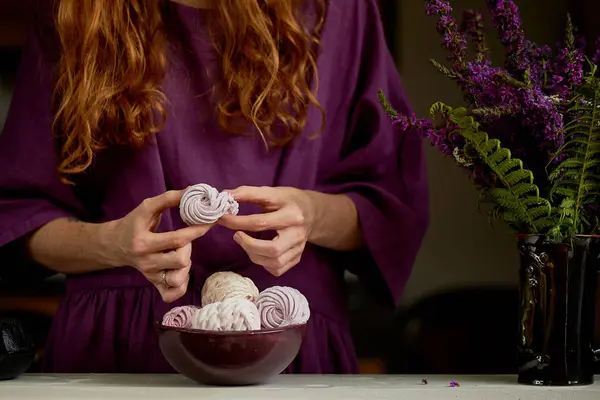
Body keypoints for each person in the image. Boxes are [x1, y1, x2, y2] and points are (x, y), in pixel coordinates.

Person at [0, 0, 429, 373]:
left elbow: (390, 207)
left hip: (287, 348)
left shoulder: (337, 11)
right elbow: (17, 217)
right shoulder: (75, 13)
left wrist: (312, 216)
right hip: (117, 349)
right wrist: (111, 243)